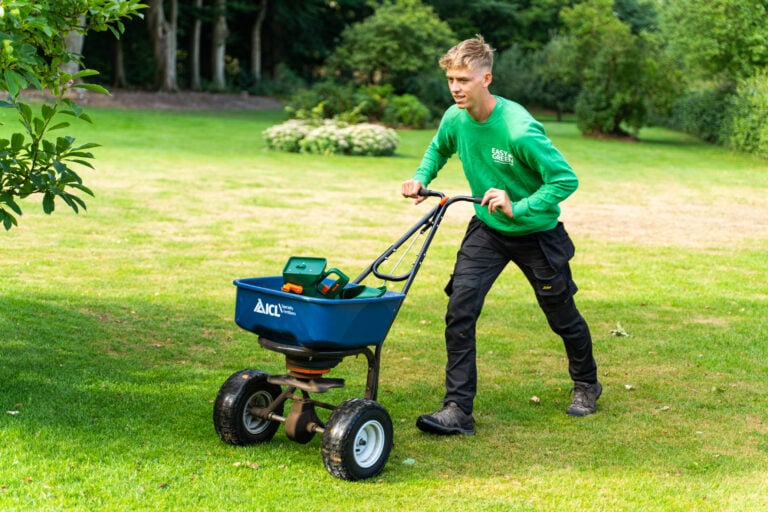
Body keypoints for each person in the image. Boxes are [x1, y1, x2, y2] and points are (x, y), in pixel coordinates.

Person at [401, 35, 601, 436]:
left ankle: (586, 383)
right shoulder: (455, 118)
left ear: (486, 78)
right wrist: (421, 178)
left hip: (537, 233)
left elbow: (565, 180)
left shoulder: (518, 129)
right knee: (460, 309)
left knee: (561, 315)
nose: (456, 88)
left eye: (463, 80)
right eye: (451, 79)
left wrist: (519, 207)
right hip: (488, 229)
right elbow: (438, 149)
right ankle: (458, 409)